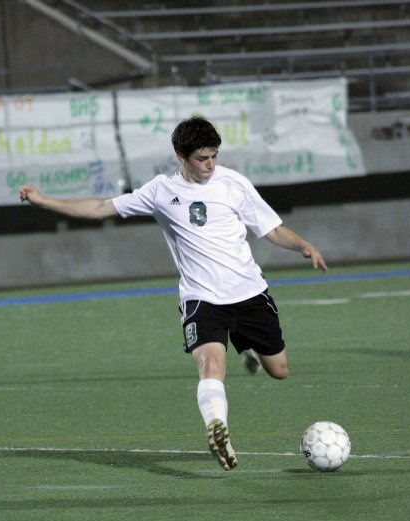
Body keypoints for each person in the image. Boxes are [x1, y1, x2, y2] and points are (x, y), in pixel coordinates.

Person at [19, 116, 327, 471]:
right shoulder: (161, 191)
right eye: (202, 158)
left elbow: (270, 229)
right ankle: (218, 427)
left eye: (213, 156)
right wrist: (44, 201)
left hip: (249, 294)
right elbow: (100, 208)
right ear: (181, 155)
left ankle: (254, 351)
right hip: (202, 299)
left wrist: (304, 246)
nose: (210, 164)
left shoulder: (233, 184)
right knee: (210, 364)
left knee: (281, 371)